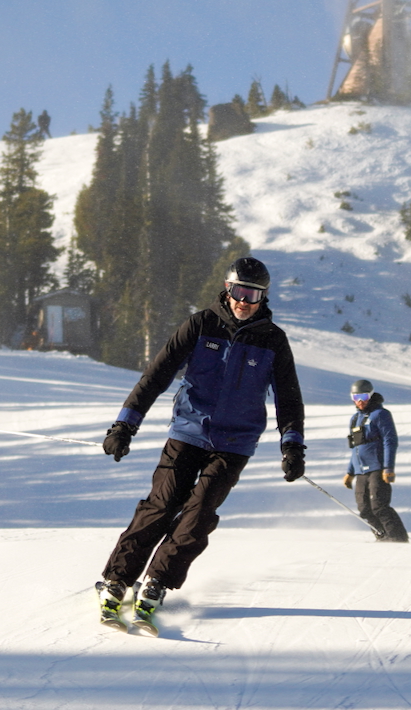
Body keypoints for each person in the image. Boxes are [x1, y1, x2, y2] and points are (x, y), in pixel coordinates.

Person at [98, 256, 306, 626]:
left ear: (264, 297)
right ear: (227, 289)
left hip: (234, 443)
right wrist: (124, 425)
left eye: (253, 295)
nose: (244, 301)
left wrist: (292, 445)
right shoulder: (200, 324)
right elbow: (157, 375)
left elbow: (288, 397)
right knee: (161, 506)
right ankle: (118, 579)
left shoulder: (273, 340)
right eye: (239, 291)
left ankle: (157, 581)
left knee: (198, 515)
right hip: (188, 432)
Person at [343, 379, 409, 542]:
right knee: (364, 509)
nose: (360, 401)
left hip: (377, 468)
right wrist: (350, 472)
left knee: (379, 506)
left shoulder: (380, 414)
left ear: (371, 396)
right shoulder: (355, 419)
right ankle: (383, 538)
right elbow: (355, 448)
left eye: (364, 397)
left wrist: (388, 468)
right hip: (360, 471)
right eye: (356, 397)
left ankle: (398, 539)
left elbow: (390, 441)